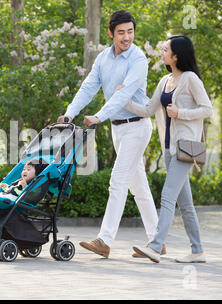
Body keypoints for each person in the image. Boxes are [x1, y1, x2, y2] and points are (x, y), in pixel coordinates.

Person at [57, 10, 164, 258]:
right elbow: (89, 87)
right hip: (119, 129)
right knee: (139, 187)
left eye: (131, 31)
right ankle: (157, 240)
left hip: (137, 126)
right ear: (111, 33)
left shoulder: (138, 59)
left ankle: (104, 241)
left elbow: (123, 94)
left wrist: (98, 116)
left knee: (117, 181)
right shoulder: (103, 58)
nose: (127, 37)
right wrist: (70, 113)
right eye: (121, 32)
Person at [123, 35, 213, 263]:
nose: (162, 52)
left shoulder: (190, 79)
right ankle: (198, 250)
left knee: (167, 195)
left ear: (176, 55)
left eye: (166, 49)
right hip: (169, 148)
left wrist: (180, 113)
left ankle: (155, 246)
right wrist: (123, 99)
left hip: (185, 147)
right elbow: (147, 109)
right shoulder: (165, 81)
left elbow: (207, 109)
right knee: (186, 204)